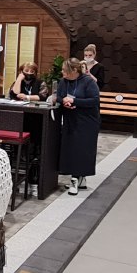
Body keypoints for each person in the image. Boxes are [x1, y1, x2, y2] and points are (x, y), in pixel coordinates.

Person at [51, 58, 100, 196]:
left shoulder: (88, 81)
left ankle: (75, 179)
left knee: (82, 150)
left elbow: (94, 100)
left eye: (64, 70)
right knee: (70, 149)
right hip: (70, 119)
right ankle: (80, 179)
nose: (62, 72)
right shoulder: (63, 82)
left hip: (87, 121)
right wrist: (64, 101)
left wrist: (75, 101)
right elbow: (58, 97)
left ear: (74, 70)